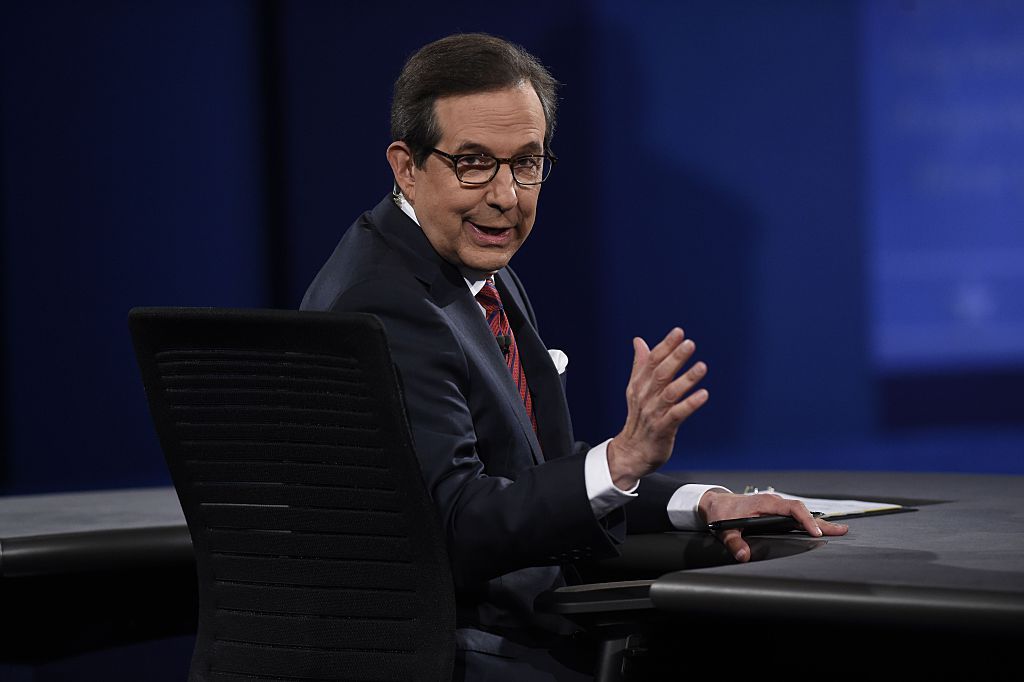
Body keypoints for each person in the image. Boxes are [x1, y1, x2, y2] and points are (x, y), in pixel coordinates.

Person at [301, 32, 847, 681]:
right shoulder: (386, 300)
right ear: (406, 166)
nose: (506, 195)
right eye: (474, 162)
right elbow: (455, 525)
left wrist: (701, 502)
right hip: (455, 652)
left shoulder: (467, 263)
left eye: (526, 162)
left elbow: (530, 470)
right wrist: (619, 460)